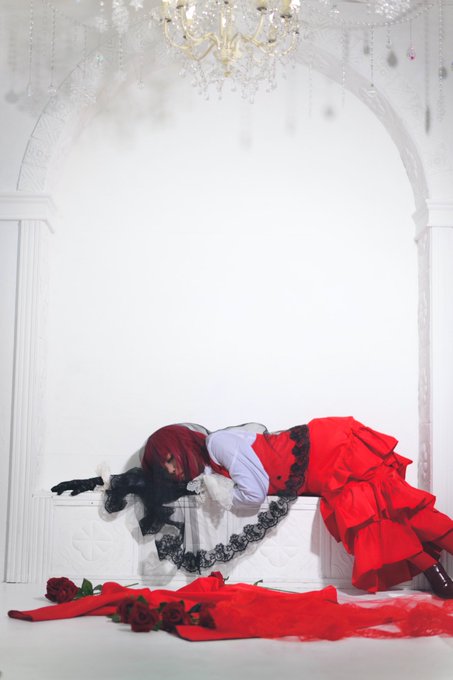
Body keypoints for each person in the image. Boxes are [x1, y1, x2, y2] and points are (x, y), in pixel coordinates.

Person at [51, 416, 453, 598]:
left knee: (395, 505)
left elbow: (255, 492)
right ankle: (439, 577)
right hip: (321, 468)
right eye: (165, 469)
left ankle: (439, 573)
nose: (172, 470)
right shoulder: (210, 466)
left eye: (170, 459)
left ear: (181, 443)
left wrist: (220, 492)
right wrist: (107, 482)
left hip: (328, 449)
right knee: (380, 513)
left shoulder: (217, 444)